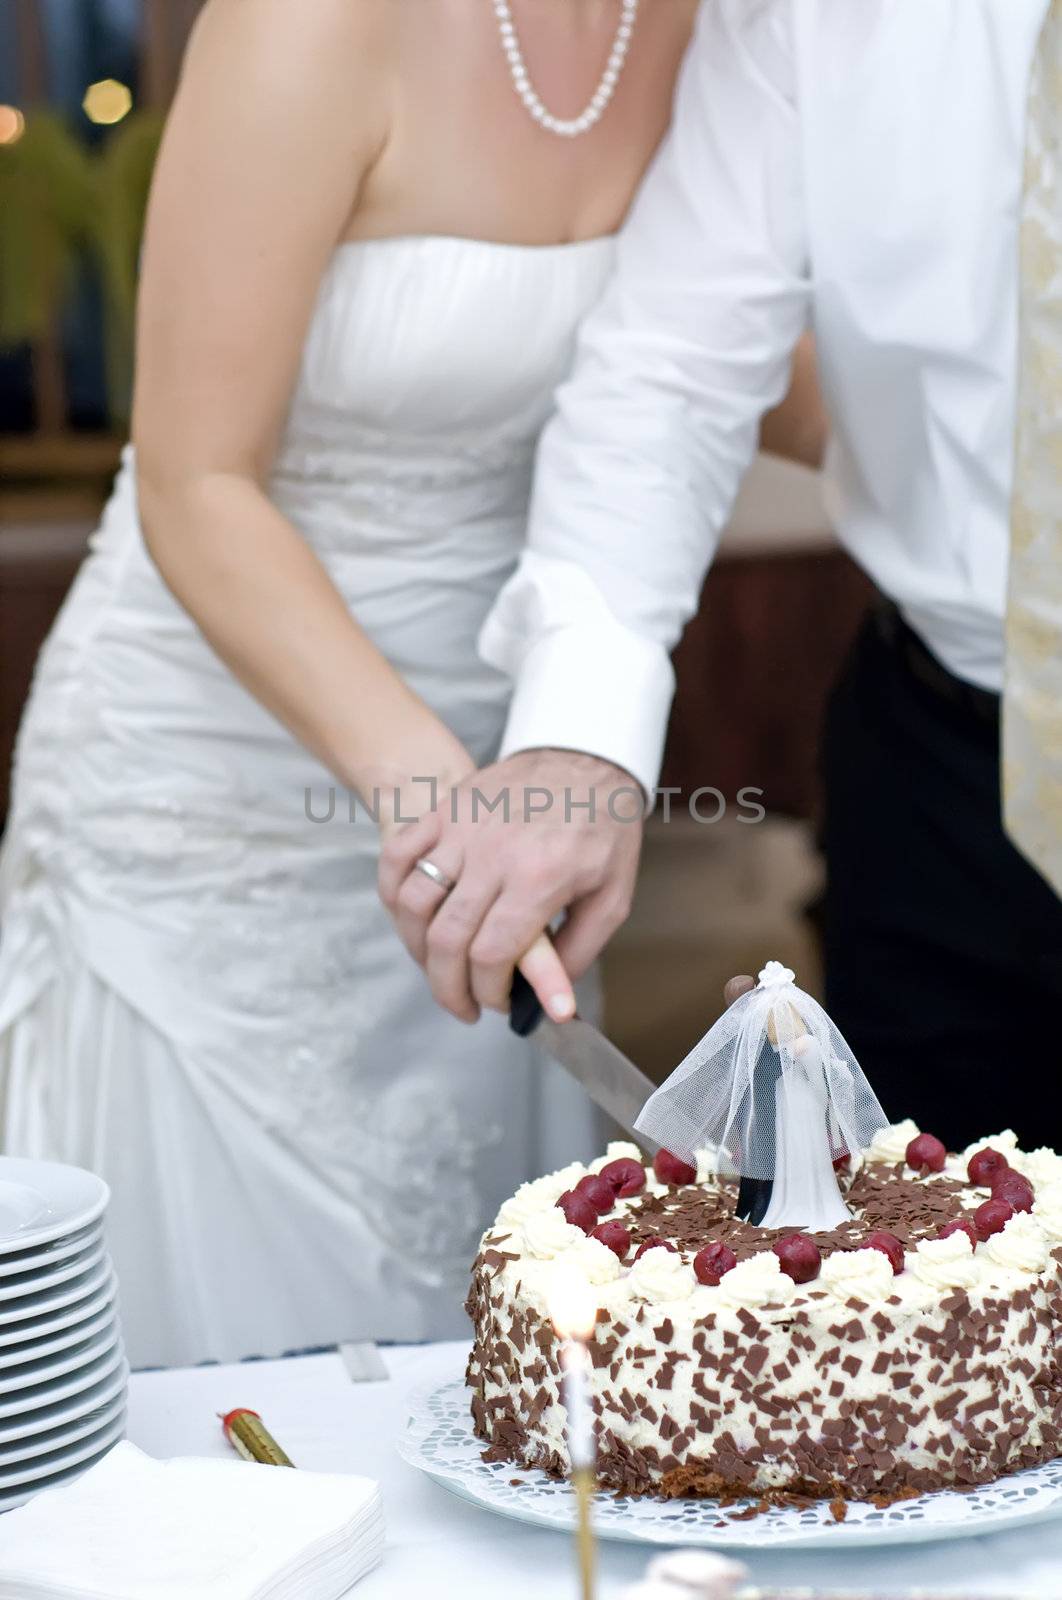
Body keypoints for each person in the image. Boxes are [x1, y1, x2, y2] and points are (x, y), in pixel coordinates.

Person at [0, 0, 822, 1366]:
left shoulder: (728, 34)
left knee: (485, 1361)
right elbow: (195, 484)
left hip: (516, 786)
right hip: (228, 780)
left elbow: (713, 368)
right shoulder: (308, 25)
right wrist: (441, 805)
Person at [382, 0, 1062, 1154]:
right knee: (929, 1291)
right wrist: (580, 732)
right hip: (941, 768)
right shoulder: (807, 18)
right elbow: (673, 366)